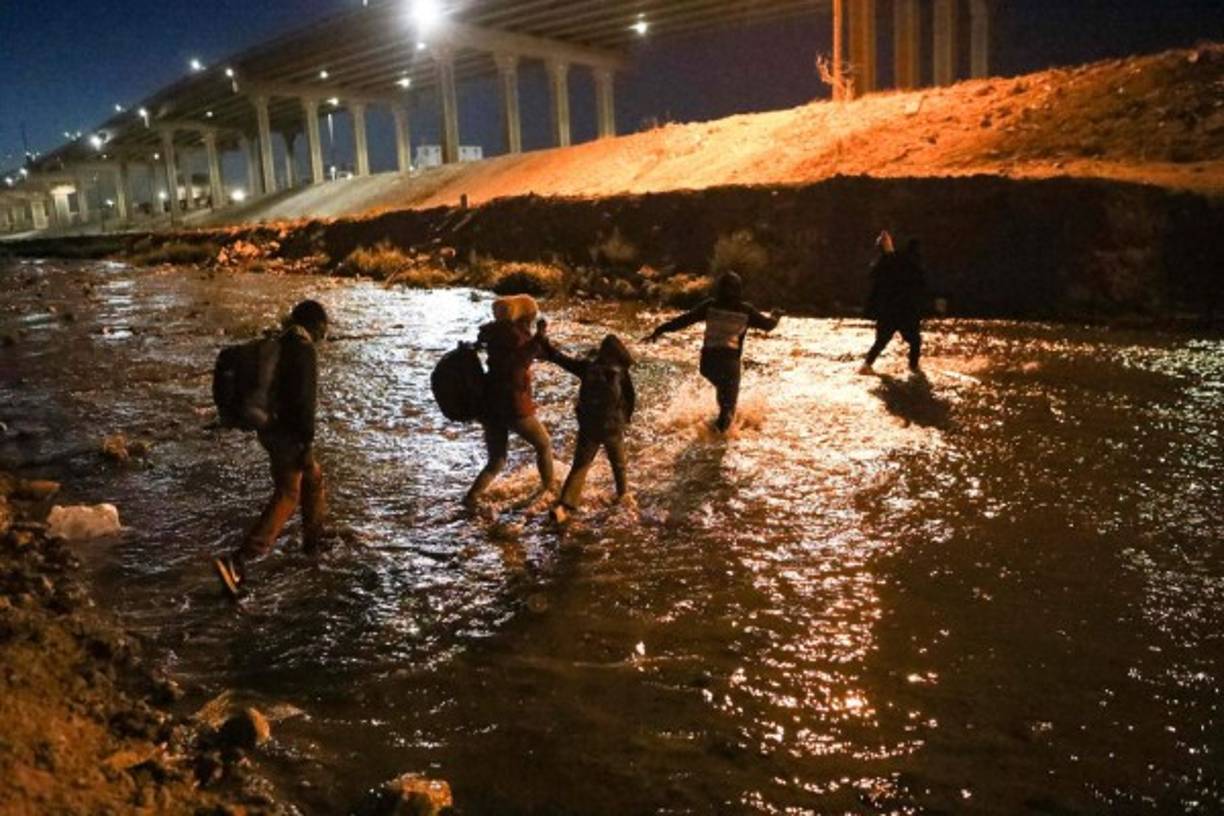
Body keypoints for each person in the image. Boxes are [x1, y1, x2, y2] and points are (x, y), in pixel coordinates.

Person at [214, 300, 329, 598]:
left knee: (314, 477)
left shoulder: (280, 342)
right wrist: (305, 442)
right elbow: (304, 403)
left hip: (271, 428)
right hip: (288, 433)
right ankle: (239, 560)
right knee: (288, 494)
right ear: (315, 325)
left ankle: (314, 542)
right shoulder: (303, 350)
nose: (325, 333)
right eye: (323, 326)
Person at [643, 271, 781, 432]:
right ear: (739, 290)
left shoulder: (710, 306)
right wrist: (775, 315)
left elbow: (683, 320)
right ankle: (717, 443)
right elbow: (768, 326)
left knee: (723, 397)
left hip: (708, 364)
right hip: (730, 364)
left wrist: (659, 330)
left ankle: (712, 435)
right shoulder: (746, 310)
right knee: (728, 408)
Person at [465, 295, 556, 507]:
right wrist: (540, 336)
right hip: (513, 404)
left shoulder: (495, 334)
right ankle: (549, 490)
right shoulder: (514, 335)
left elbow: (533, 352)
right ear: (526, 315)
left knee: (497, 460)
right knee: (543, 444)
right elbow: (521, 361)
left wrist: (539, 341)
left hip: (489, 405)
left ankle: (471, 498)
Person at [542, 334, 636, 524]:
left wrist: (545, 344)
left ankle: (564, 507)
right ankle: (623, 497)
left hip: (589, 426)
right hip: (612, 427)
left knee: (580, 466)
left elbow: (562, 360)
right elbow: (630, 398)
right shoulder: (621, 371)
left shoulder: (587, 367)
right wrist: (626, 419)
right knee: (619, 465)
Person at [860, 231, 927, 374]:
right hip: (903, 311)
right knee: (914, 341)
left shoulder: (883, 264)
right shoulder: (901, 263)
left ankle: (866, 365)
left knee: (881, 342)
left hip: (888, 311)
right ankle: (913, 368)